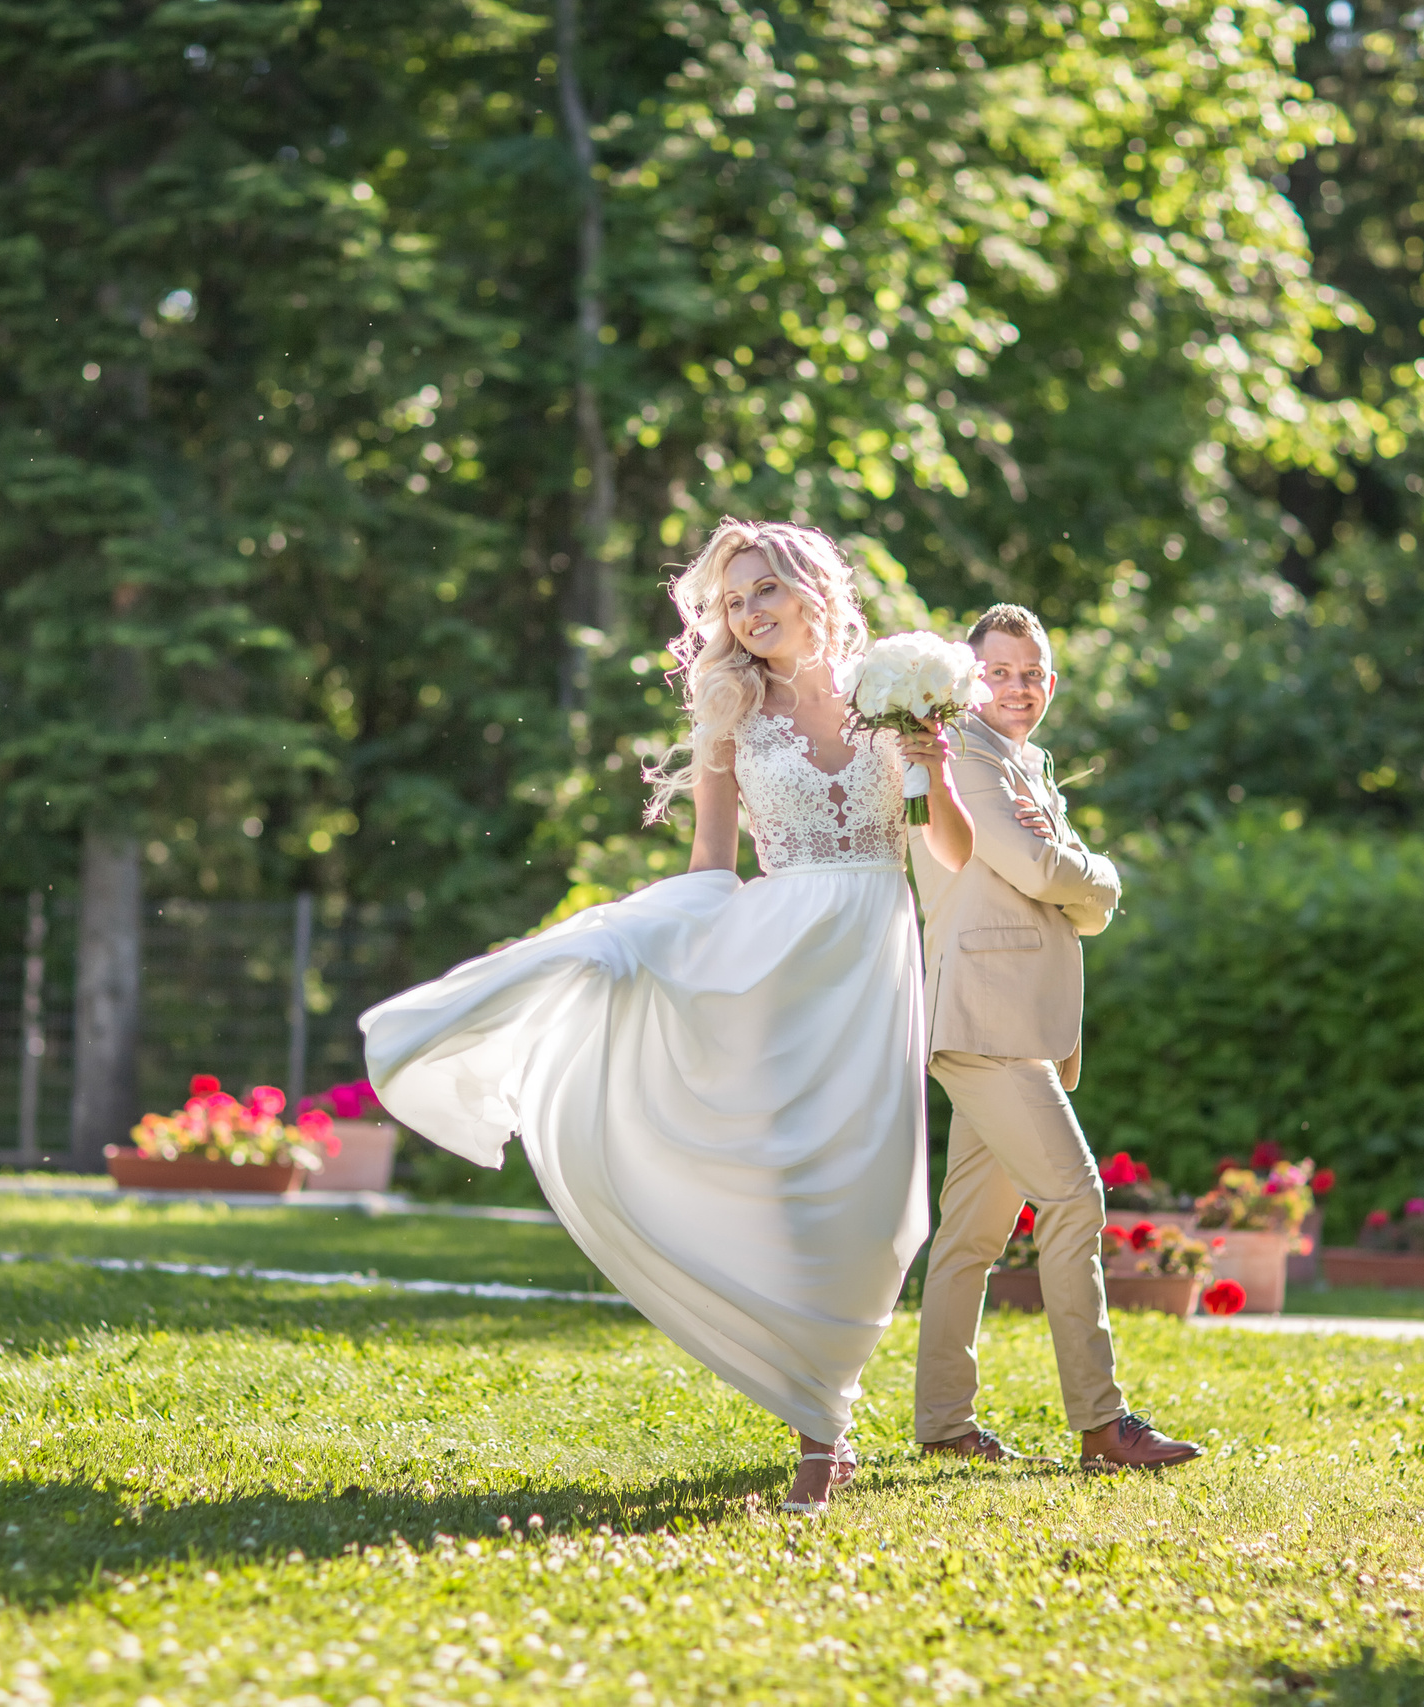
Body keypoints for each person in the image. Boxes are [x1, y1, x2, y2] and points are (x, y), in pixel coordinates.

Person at [361, 519, 975, 1514]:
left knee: (869, 1195)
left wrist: (929, 763)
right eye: (731, 602)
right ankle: (824, 1426)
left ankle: (825, 1404)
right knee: (790, 1184)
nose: (749, 614)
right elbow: (712, 860)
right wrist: (647, 940)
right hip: (773, 956)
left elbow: (945, 851)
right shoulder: (730, 705)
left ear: (813, 585)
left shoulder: (889, 693)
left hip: (871, 952)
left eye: (764, 590)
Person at [904, 604, 1202, 1474]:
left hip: (1017, 1023)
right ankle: (1103, 1427)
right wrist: (1102, 877)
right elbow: (1046, 871)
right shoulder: (962, 754)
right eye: (998, 671)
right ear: (968, 677)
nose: (1017, 688)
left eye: (1032, 673)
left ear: (1052, 681)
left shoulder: (1021, 762)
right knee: (1075, 1198)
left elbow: (1054, 881)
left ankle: (942, 1422)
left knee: (969, 1235)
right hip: (985, 1020)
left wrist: (1078, 884)